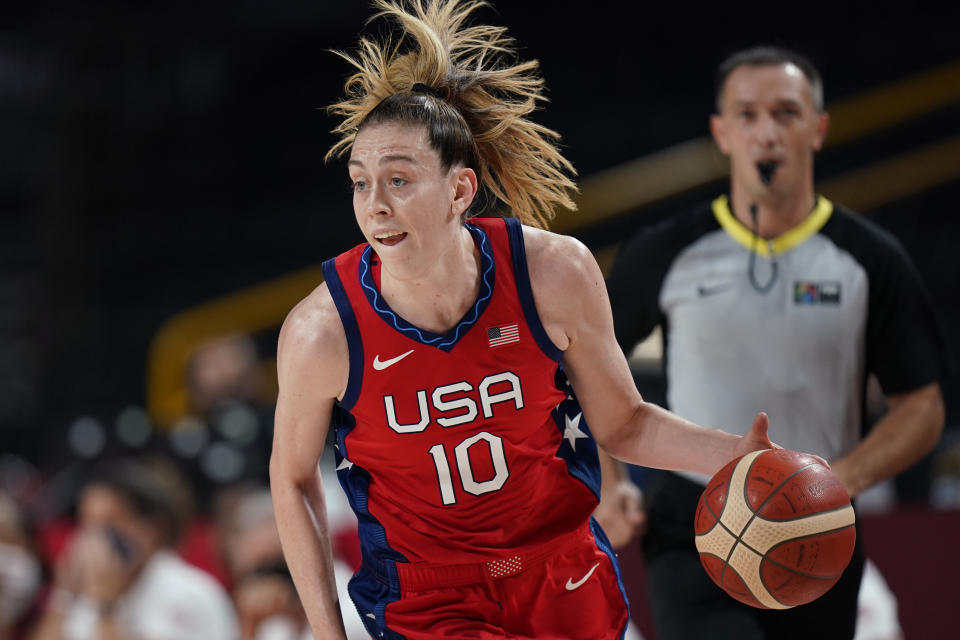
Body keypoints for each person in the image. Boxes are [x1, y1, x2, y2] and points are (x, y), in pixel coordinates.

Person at [269, 3, 777, 639]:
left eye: (398, 180)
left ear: (459, 191)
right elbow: (290, 480)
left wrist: (737, 454)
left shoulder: (552, 273)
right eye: (359, 182)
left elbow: (623, 422)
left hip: (561, 567)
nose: (374, 206)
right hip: (429, 598)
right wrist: (326, 631)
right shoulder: (322, 331)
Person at [607, 46, 948, 640]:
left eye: (786, 113)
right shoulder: (664, 252)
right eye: (746, 114)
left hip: (822, 526)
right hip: (696, 521)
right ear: (721, 132)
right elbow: (583, 371)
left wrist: (836, 481)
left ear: (817, 129)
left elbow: (922, 405)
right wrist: (607, 485)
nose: (766, 131)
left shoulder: (870, 258)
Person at [29, 458, 238, 640]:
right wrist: (63, 594)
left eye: (109, 524)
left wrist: (106, 605)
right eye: (87, 524)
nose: (94, 539)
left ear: (150, 530)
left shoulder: (192, 594)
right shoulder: (83, 598)